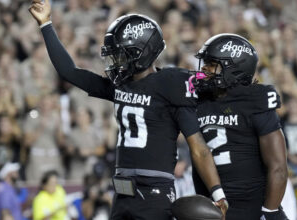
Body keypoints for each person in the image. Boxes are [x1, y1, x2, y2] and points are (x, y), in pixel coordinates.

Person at [28, 0, 228, 219]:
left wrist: (217, 193)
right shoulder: (121, 84)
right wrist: (46, 24)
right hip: (123, 191)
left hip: (154, 192)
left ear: (142, 53)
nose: (116, 61)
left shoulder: (172, 84)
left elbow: (198, 147)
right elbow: (69, 72)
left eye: (121, 55)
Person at [189, 33, 289, 220]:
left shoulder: (256, 100)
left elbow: (278, 167)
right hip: (218, 206)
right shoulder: (199, 100)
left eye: (211, 64)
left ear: (233, 68)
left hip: (255, 206)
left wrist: (270, 212)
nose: (204, 69)